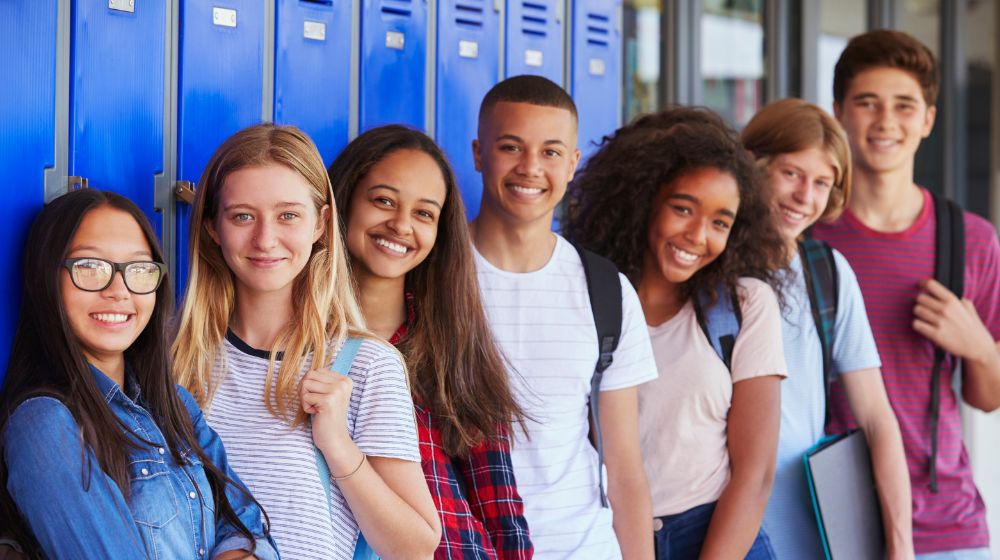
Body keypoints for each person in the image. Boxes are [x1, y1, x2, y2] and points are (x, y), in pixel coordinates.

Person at [172, 123, 441, 559]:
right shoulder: (172, 359)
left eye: (288, 215)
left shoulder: (366, 365)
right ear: (211, 227)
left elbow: (415, 548)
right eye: (243, 215)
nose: (265, 239)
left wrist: (338, 445)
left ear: (321, 223)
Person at [0, 189, 276, 559]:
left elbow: (248, 524)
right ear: (47, 277)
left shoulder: (175, 405)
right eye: (89, 267)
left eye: (140, 269)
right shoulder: (47, 423)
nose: (119, 291)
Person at [564, 107, 788, 559]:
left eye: (720, 222)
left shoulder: (744, 307)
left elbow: (755, 473)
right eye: (683, 209)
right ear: (644, 199)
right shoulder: (585, 299)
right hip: (606, 535)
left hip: (714, 535)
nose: (697, 235)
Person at [812, 29, 1000, 559]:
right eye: (867, 103)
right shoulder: (808, 238)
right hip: (826, 518)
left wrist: (980, 347)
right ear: (839, 113)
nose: (885, 121)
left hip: (944, 527)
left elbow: (987, 397)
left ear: (928, 119)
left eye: (904, 105)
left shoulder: (971, 241)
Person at [467, 75, 657, 559]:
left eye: (551, 152)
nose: (531, 168)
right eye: (511, 146)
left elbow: (625, 468)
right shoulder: (432, 276)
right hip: (464, 546)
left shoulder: (605, 290)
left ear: (573, 164)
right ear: (478, 153)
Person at [329, 124, 533, 559]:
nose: (401, 224)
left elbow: (499, 508)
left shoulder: (453, 344)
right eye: (383, 200)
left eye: (424, 213)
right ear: (343, 201)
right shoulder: (295, 343)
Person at [742, 98, 914, 559]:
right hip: (719, 525)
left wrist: (900, 545)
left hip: (810, 526)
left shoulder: (828, 272)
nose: (805, 197)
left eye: (822, 183)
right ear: (754, 167)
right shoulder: (711, 266)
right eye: (792, 174)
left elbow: (877, 417)